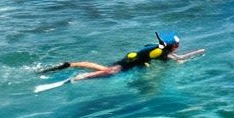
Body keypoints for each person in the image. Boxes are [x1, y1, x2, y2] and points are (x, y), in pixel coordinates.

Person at [40, 32, 189, 81]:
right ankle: (81, 77)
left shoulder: (159, 47)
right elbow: (163, 59)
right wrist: (177, 60)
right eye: (177, 45)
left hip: (132, 58)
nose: (178, 46)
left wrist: (177, 58)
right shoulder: (161, 52)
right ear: (172, 46)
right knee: (109, 72)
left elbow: (149, 51)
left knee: (108, 69)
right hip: (132, 61)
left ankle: (72, 64)